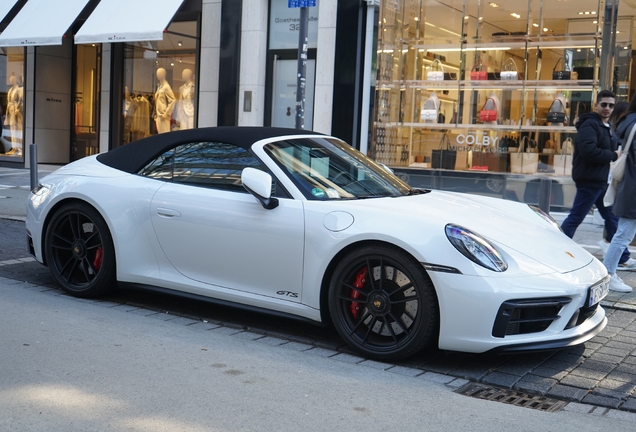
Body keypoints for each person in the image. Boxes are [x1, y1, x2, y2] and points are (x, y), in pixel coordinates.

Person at [560, 90, 636, 269]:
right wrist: (613, 155)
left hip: (601, 180)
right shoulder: (590, 125)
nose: (607, 108)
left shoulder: (606, 126)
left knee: (611, 218)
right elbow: (589, 151)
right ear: (597, 105)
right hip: (589, 179)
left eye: (611, 105)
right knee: (576, 217)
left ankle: (623, 257)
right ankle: (557, 249)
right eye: (604, 104)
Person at [603, 95, 636, 292]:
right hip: (633, 189)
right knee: (623, 234)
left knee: (623, 233)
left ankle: (609, 272)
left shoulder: (629, 121)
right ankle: (609, 274)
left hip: (630, 187)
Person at [154, 68, 176, 134]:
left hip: (163, 116)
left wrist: (166, 113)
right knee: (160, 135)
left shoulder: (166, 87)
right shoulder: (159, 87)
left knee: (165, 134)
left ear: (163, 74)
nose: (157, 75)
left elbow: (173, 100)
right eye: (157, 73)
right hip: (159, 115)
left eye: (159, 73)